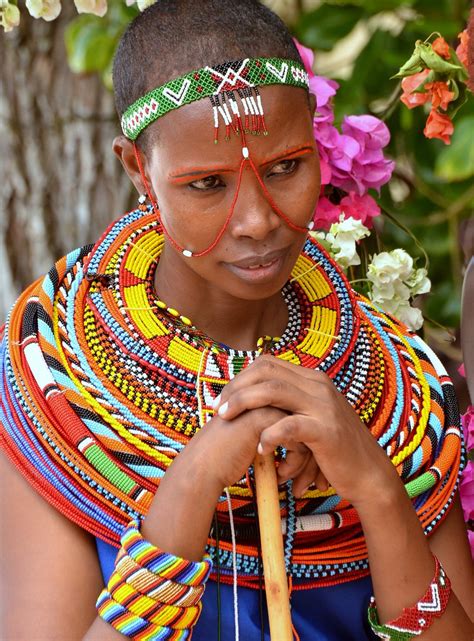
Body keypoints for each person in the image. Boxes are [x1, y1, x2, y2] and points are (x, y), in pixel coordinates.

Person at [1, 1, 473, 639]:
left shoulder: (399, 392)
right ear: (138, 168)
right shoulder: (49, 387)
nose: (256, 220)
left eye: (285, 168)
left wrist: (377, 486)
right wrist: (192, 484)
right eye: (206, 184)